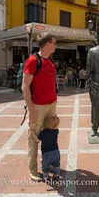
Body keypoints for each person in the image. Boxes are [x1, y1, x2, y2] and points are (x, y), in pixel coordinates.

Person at [22, 32, 57, 182]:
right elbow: (25, 87)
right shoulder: (32, 61)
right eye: (54, 43)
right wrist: (31, 110)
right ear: (48, 44)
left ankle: (48, 164)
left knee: (50, 137)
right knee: (33, 138)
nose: (56, 45)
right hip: (38, 106)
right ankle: (32, 169)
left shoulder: (49, 61)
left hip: (51, 105)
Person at [38, 114, 61, 182]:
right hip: (56, 152)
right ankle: (56, 174)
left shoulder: (43, 132)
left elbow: (37, 140)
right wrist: (55, 118)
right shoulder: (56, 131)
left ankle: (46, 177)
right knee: (57, 164)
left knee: (45, 165)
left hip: (46, 153)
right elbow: (55, 126)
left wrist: (32, 134)